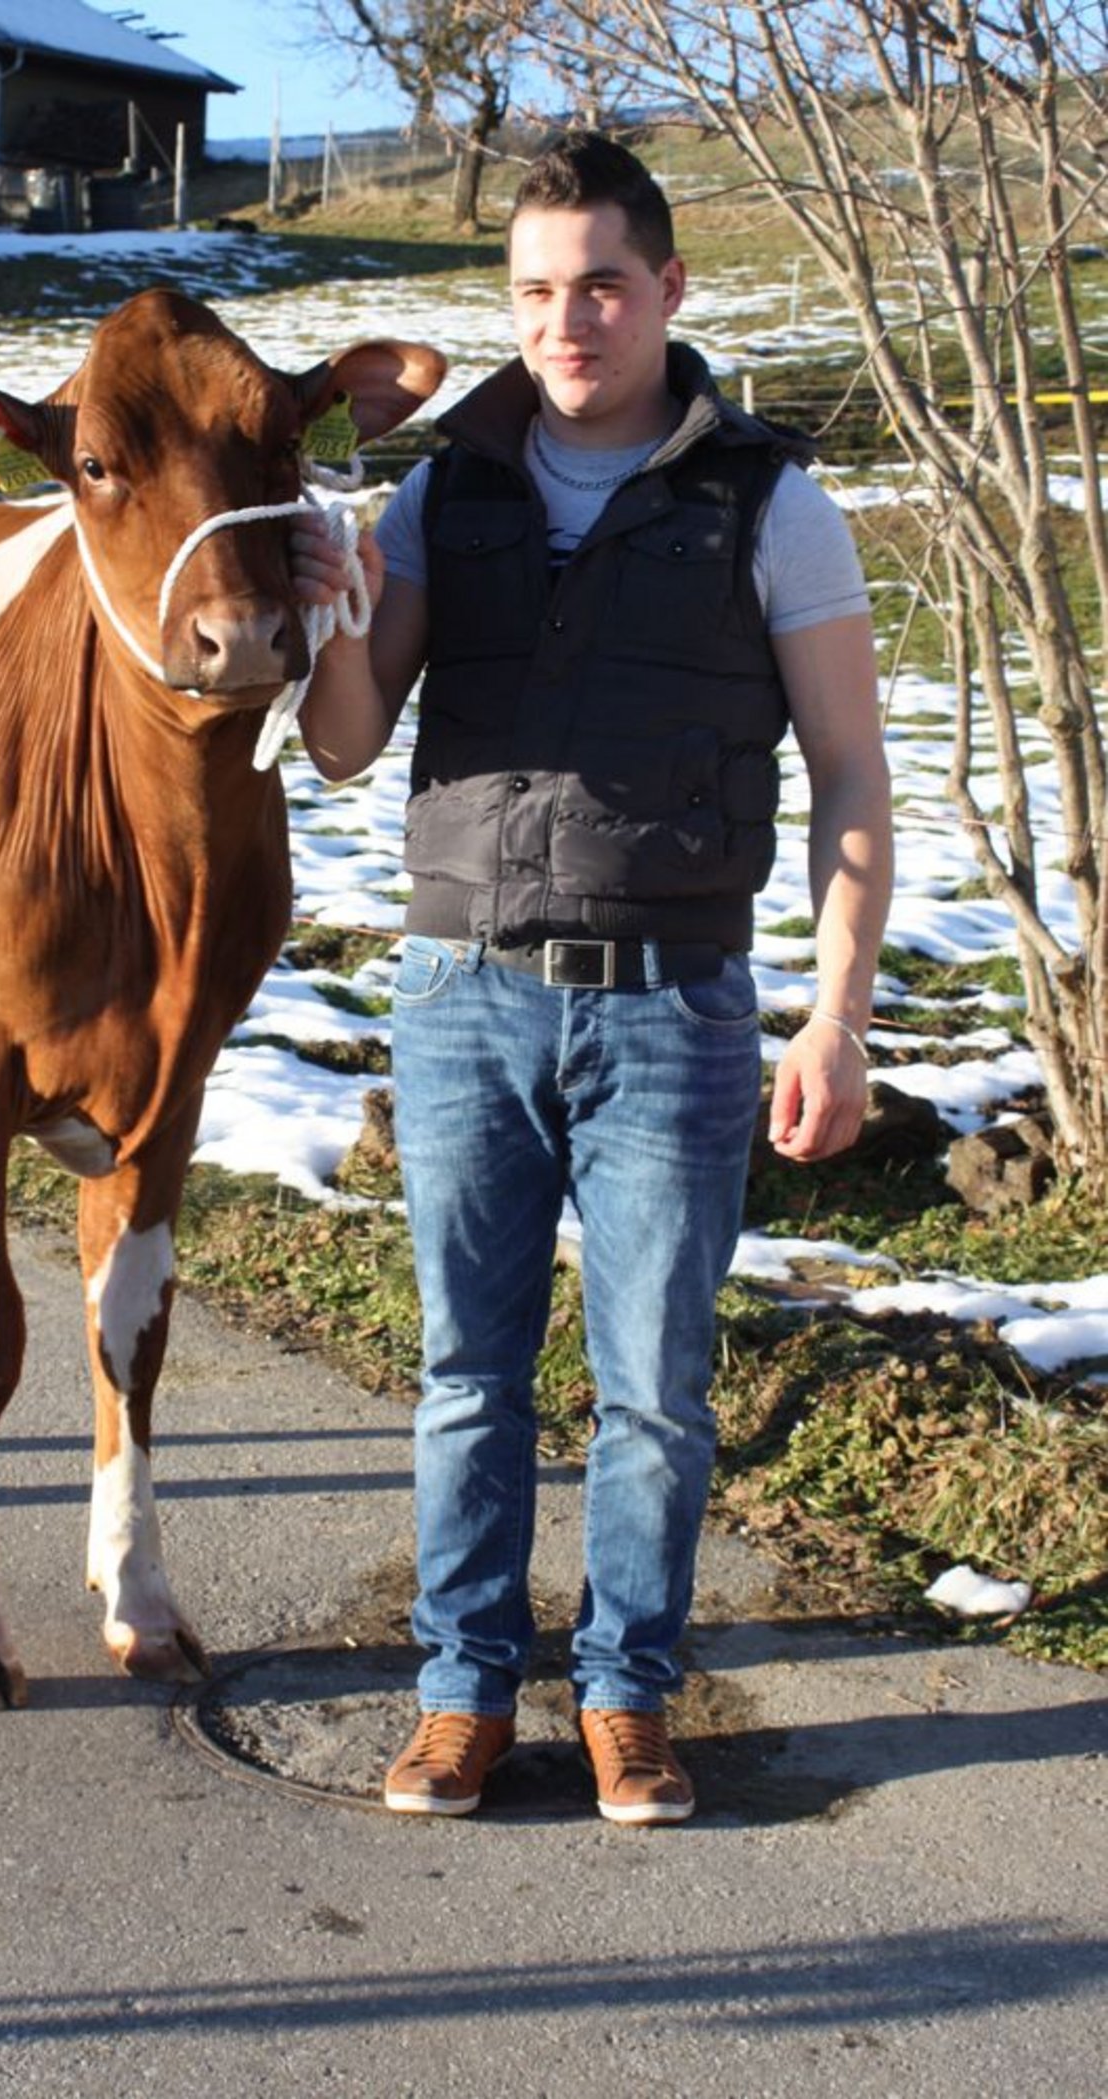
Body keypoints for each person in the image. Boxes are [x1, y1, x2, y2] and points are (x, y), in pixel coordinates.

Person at [293, 132, 892, 1824]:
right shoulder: (445, 490)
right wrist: (339, 606)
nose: (570, 323)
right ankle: (461, 1692)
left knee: (653, 1383)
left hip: (674, 1002)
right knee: (466, 1373)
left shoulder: (766, 498)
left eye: (603, 287)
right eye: (538, 291)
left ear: (670, 290)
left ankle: (629, 1692)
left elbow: (853, 774)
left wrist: (835, 1014)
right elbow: (345, 750)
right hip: (461, 991)